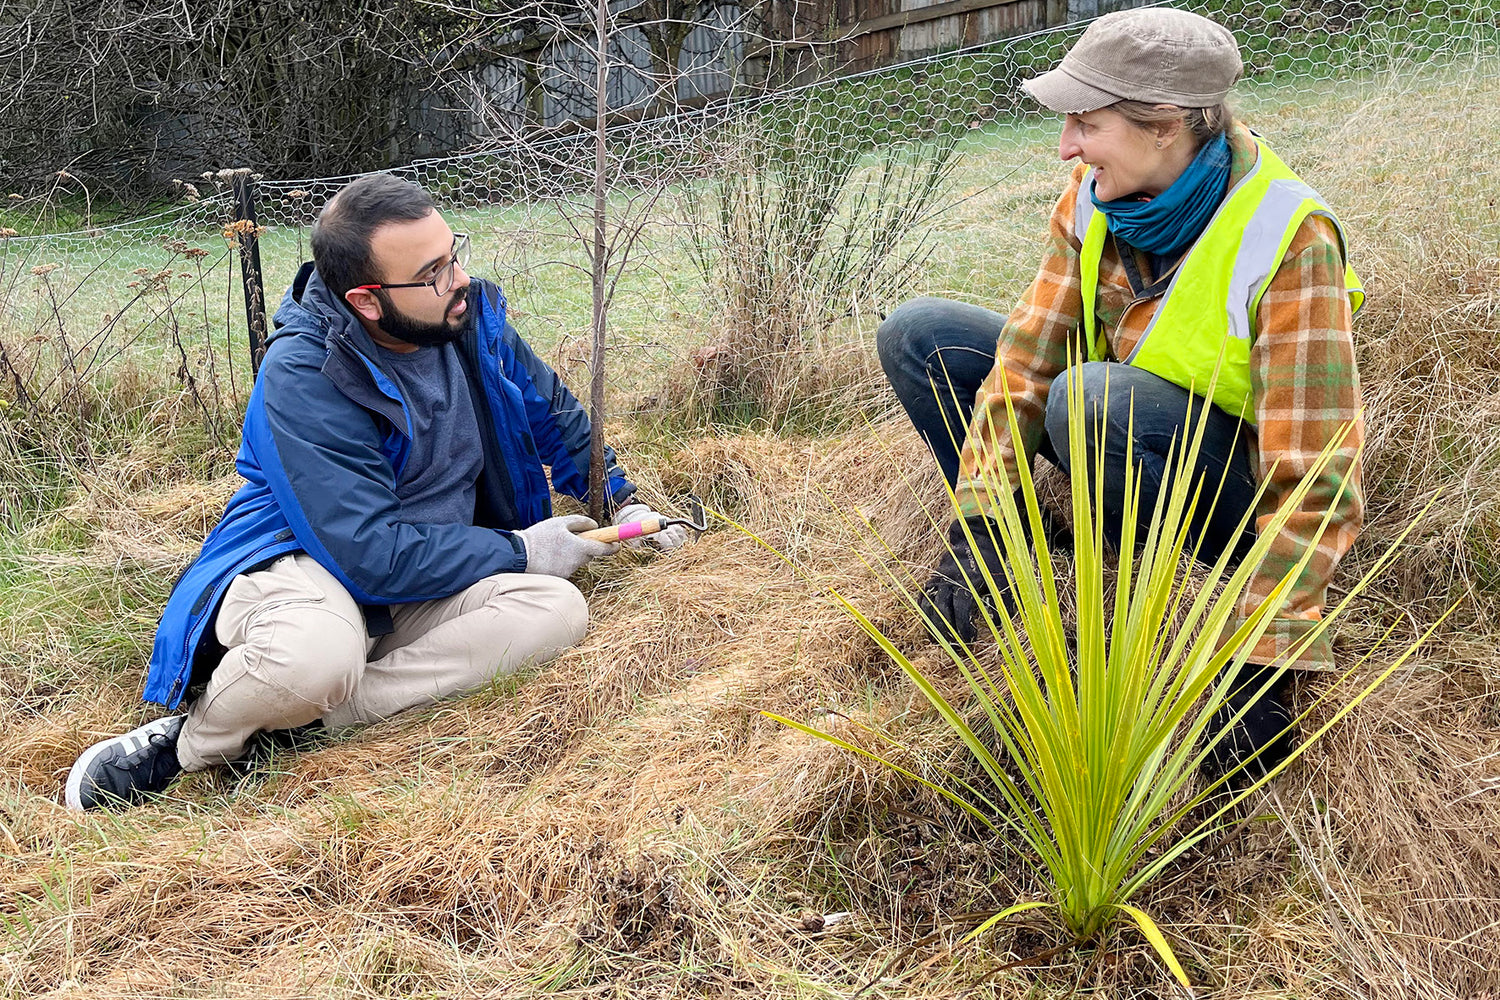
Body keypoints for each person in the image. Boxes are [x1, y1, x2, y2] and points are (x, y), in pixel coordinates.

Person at [65, 174, 687, 810]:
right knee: (313, 656)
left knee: (557, 610)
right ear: (366, 301)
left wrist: (619, 498)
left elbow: (553, 416)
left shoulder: (470, 321)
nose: (462, 280)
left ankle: (300, 728)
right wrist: (521, 549)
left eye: (455, 255)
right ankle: (190, 745)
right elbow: (367, 552)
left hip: (427, 569)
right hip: (310, 560)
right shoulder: (304, 374)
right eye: (435, 273)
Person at [877, 8, 1364, 782]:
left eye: (1085, 122)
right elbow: (1023, 362)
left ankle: (1140, 593)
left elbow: (1319, 468)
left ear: (1165, 124)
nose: (1067, 144)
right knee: (918, 335)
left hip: (1229, 492)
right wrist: (980, 523)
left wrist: (1270, 654)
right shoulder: (1094, 193)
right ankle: (1032, 558)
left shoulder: (1289, 233)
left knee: (1090, 401)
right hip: (1115, 427)